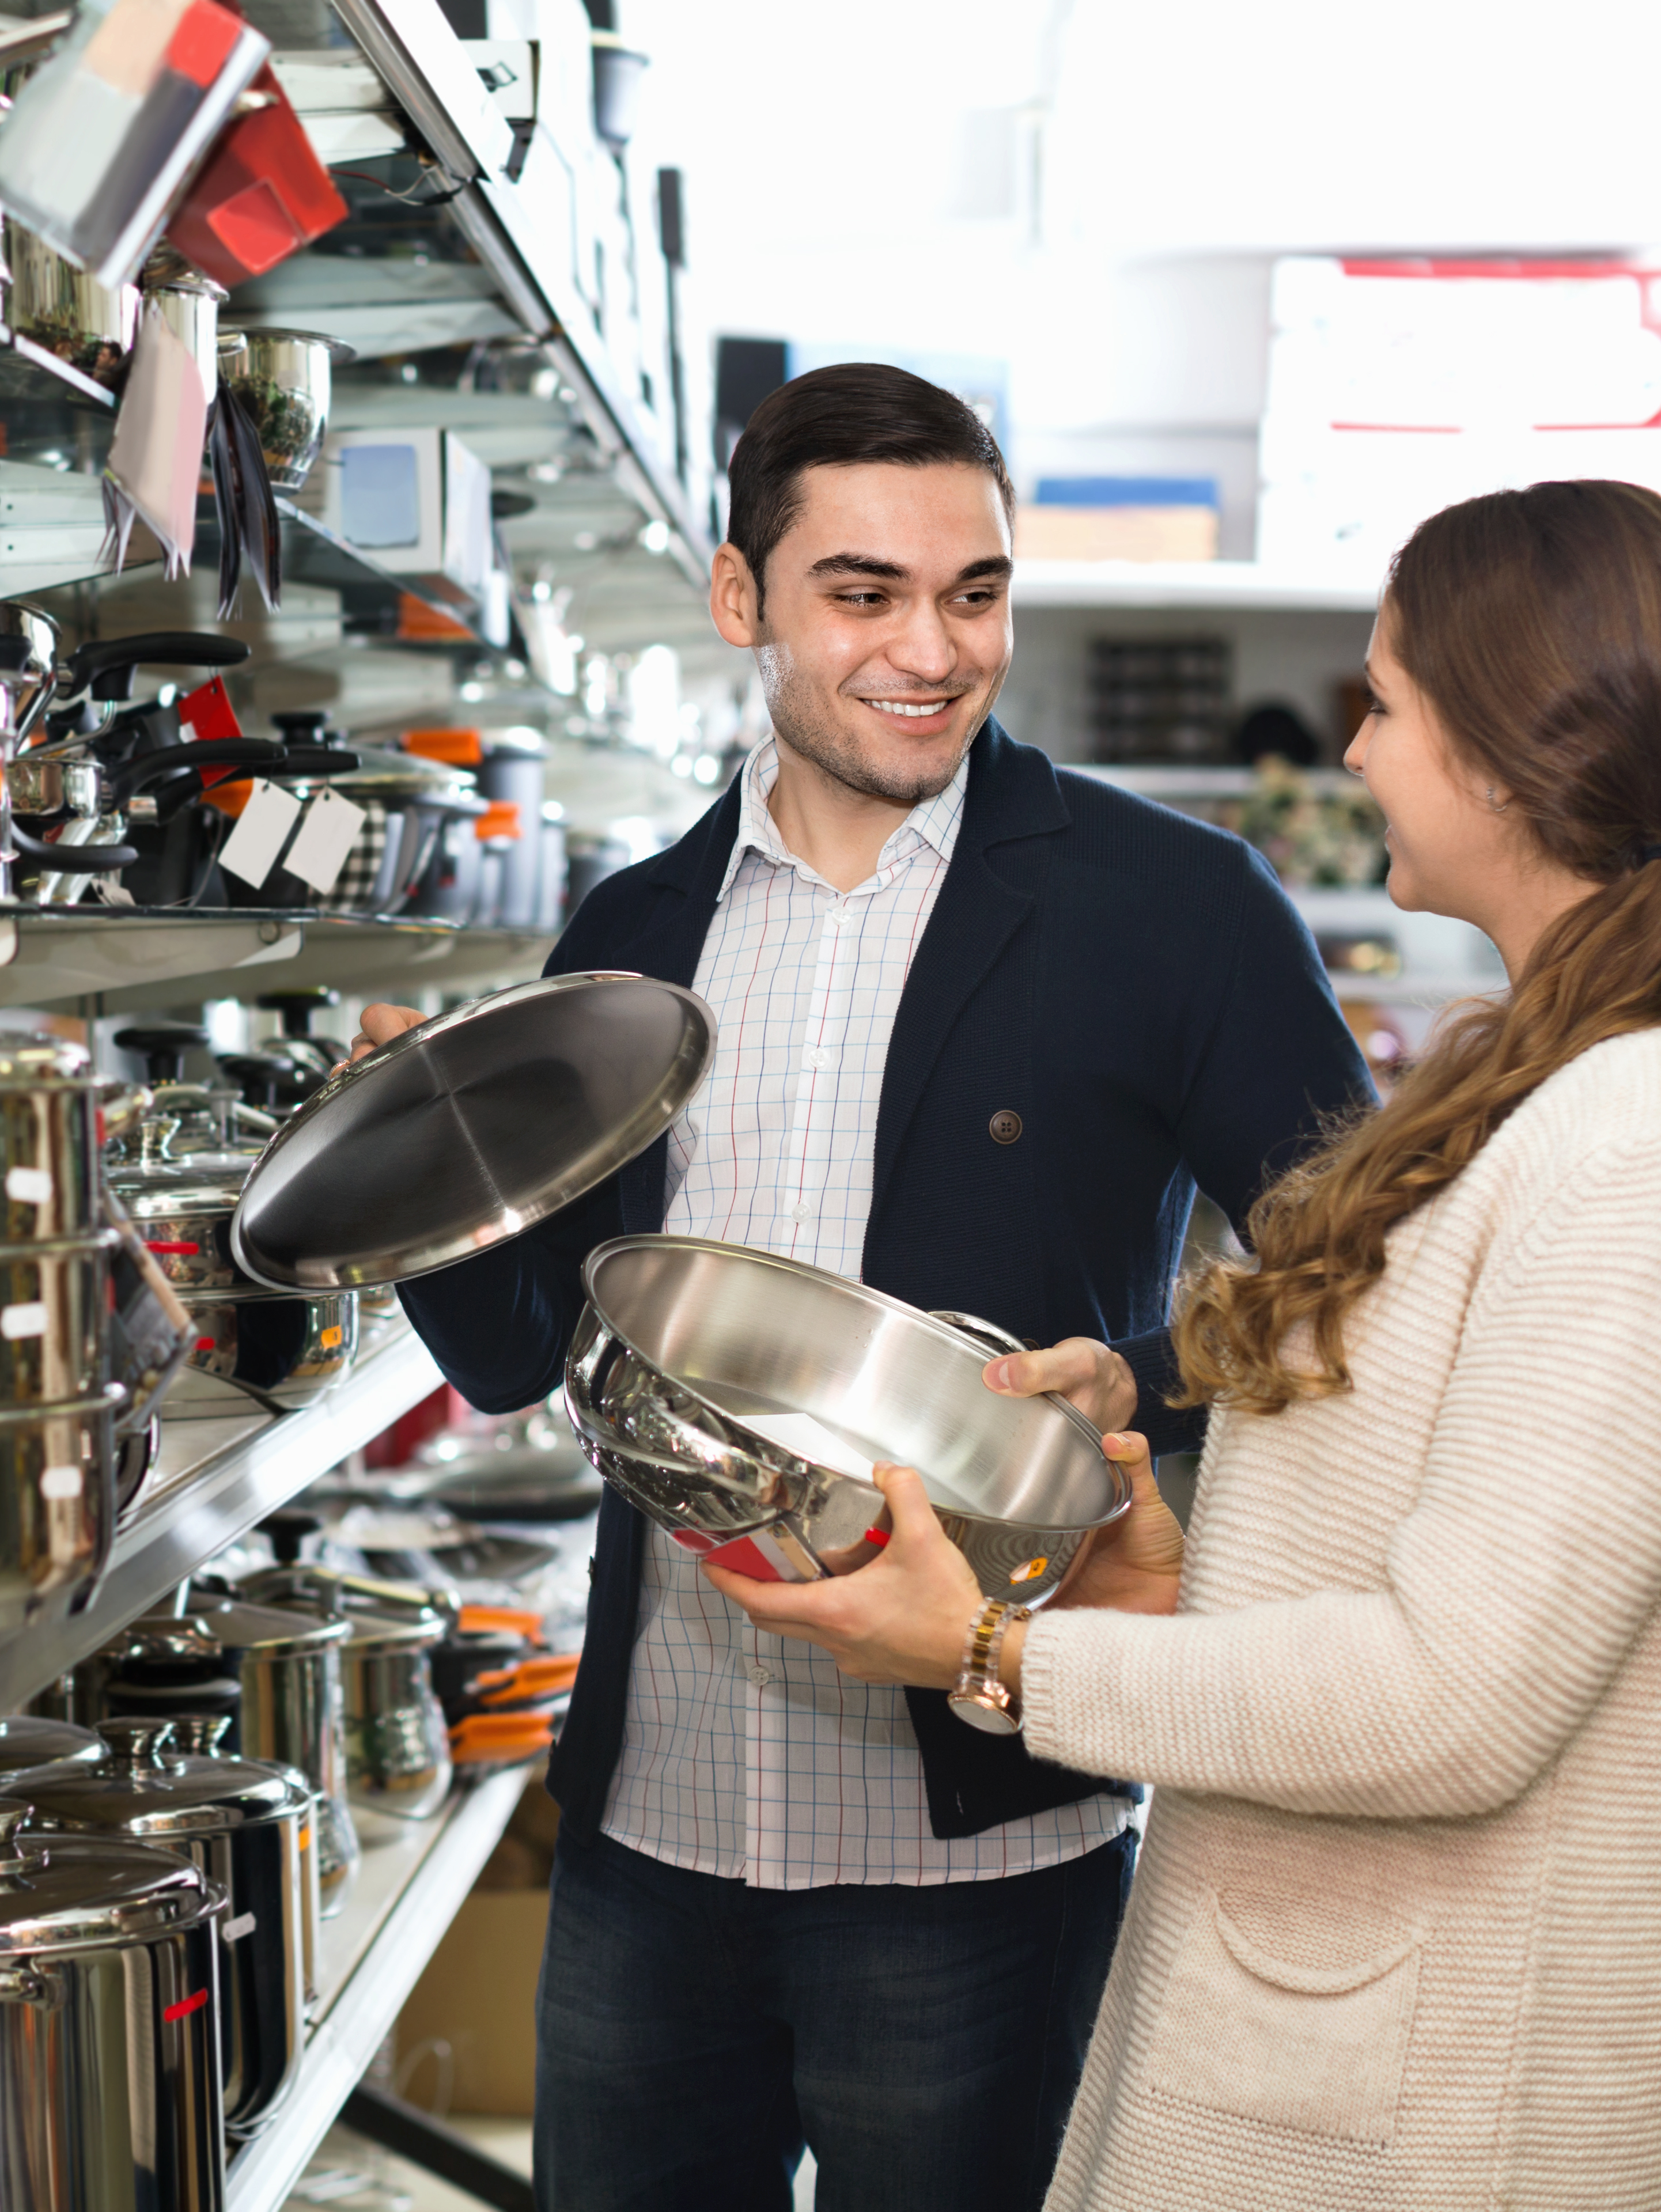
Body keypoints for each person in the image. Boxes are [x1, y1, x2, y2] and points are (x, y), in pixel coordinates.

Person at [714, 478, 1661, 2210]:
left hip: (1444, 2101)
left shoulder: (1659, 1139)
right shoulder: (1550, 1068)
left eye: (1385, 704)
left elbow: (1457, 1700)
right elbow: (1451, 1541)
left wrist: (1001, 1661)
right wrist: (1177, 1562)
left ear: (1508, 747)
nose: (1361, 753)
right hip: (1338, 2026)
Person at [354, 361, 1373, 2209]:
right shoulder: (632, 940)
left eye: (974, 592)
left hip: (980, 1842)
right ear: (743, 599)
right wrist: (413, 1178)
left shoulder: (1176, 908)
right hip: (655, 1831)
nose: (934, 649)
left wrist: (1130, 1380)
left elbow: (1355, 1282)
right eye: (864, 592)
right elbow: (518, 1360)